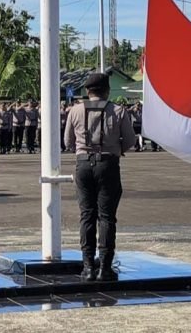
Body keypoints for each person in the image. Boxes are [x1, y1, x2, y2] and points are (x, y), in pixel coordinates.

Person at [64, 72, 136, 281]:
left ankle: (87, 266)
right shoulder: (118, 110)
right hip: (108, 164)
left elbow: (68, 141)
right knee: (106, 217)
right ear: (107, 90)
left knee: (87, 215)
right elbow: (130, 140)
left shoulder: (75, 110)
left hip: (84, 164)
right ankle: (105, 266)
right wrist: (115, 148)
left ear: (87, 91)